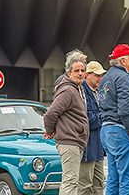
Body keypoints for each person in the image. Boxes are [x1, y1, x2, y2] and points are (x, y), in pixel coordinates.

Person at [98, 44, 129, 195]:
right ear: (123, 61)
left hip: (107, 130)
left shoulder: (106, 78)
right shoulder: (123, 78)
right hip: (121, 130)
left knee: (114, 178)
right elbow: (125, 108)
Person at [44, 53, 89, 195]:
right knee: (70, 181)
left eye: (82, 70)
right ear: (69, 73)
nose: (80, 73)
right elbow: (50, 114)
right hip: (69, 141)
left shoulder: (77, 87)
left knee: (72, 180)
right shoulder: (68, 90)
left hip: (75, 140)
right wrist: (50, 131)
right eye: (76, 71)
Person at [78, 61, 106, 195]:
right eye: (97, 75)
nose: (100, 78)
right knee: (85, 186)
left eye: (102, 75)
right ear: (87, 75)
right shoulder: (82, 91)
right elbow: (88, 119)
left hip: (97, 148)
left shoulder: (98, 92)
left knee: (99, 185)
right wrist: (104, 116)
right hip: (87, 148)